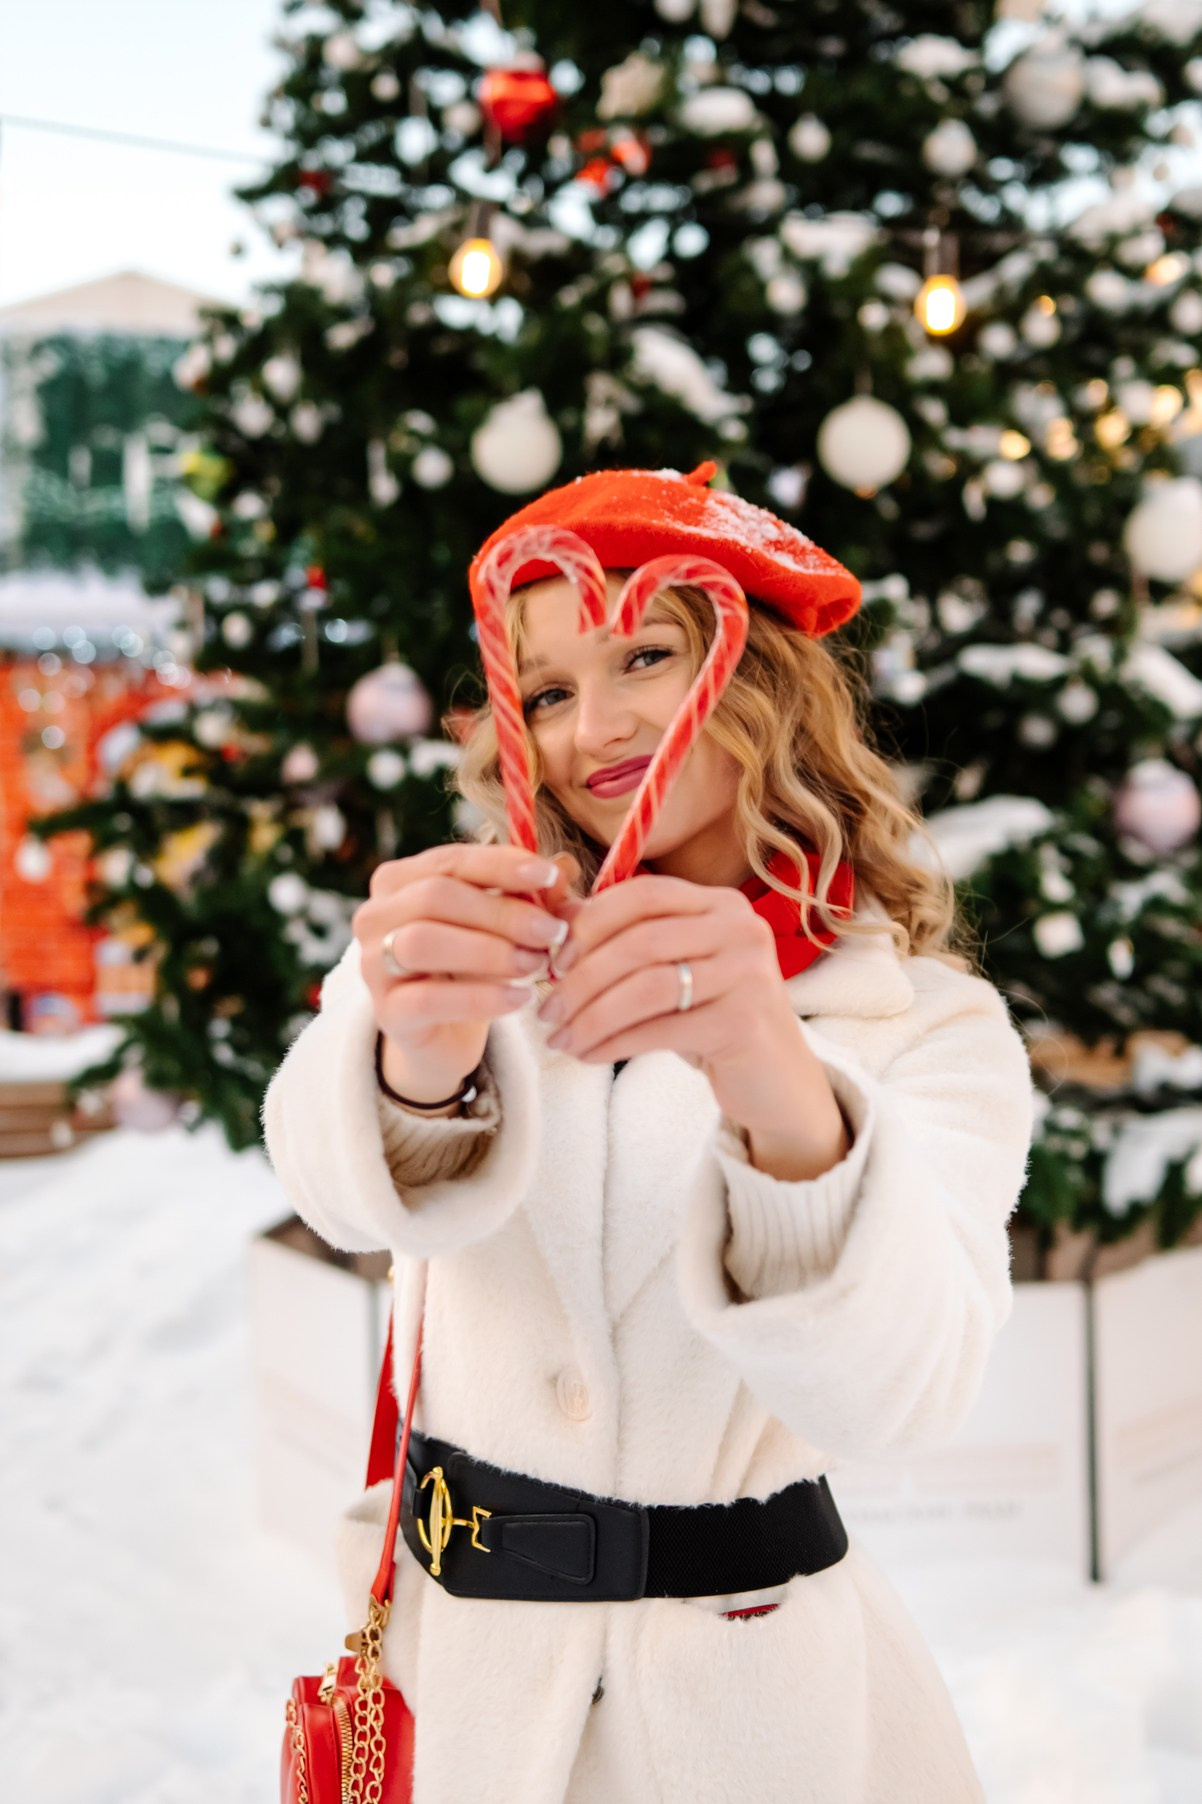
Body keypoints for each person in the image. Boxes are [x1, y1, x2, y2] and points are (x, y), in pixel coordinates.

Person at [261, 461, 1035, 1803]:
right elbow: (336, 1197)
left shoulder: (923, 1025)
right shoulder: (473, 950)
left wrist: (766, 1068)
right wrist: (415, 1065)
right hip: (461, 1697)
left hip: (759, 1732)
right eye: (547, 691)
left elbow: (896, 1392)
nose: (595, 728)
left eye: (645, 656)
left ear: (755, 679)